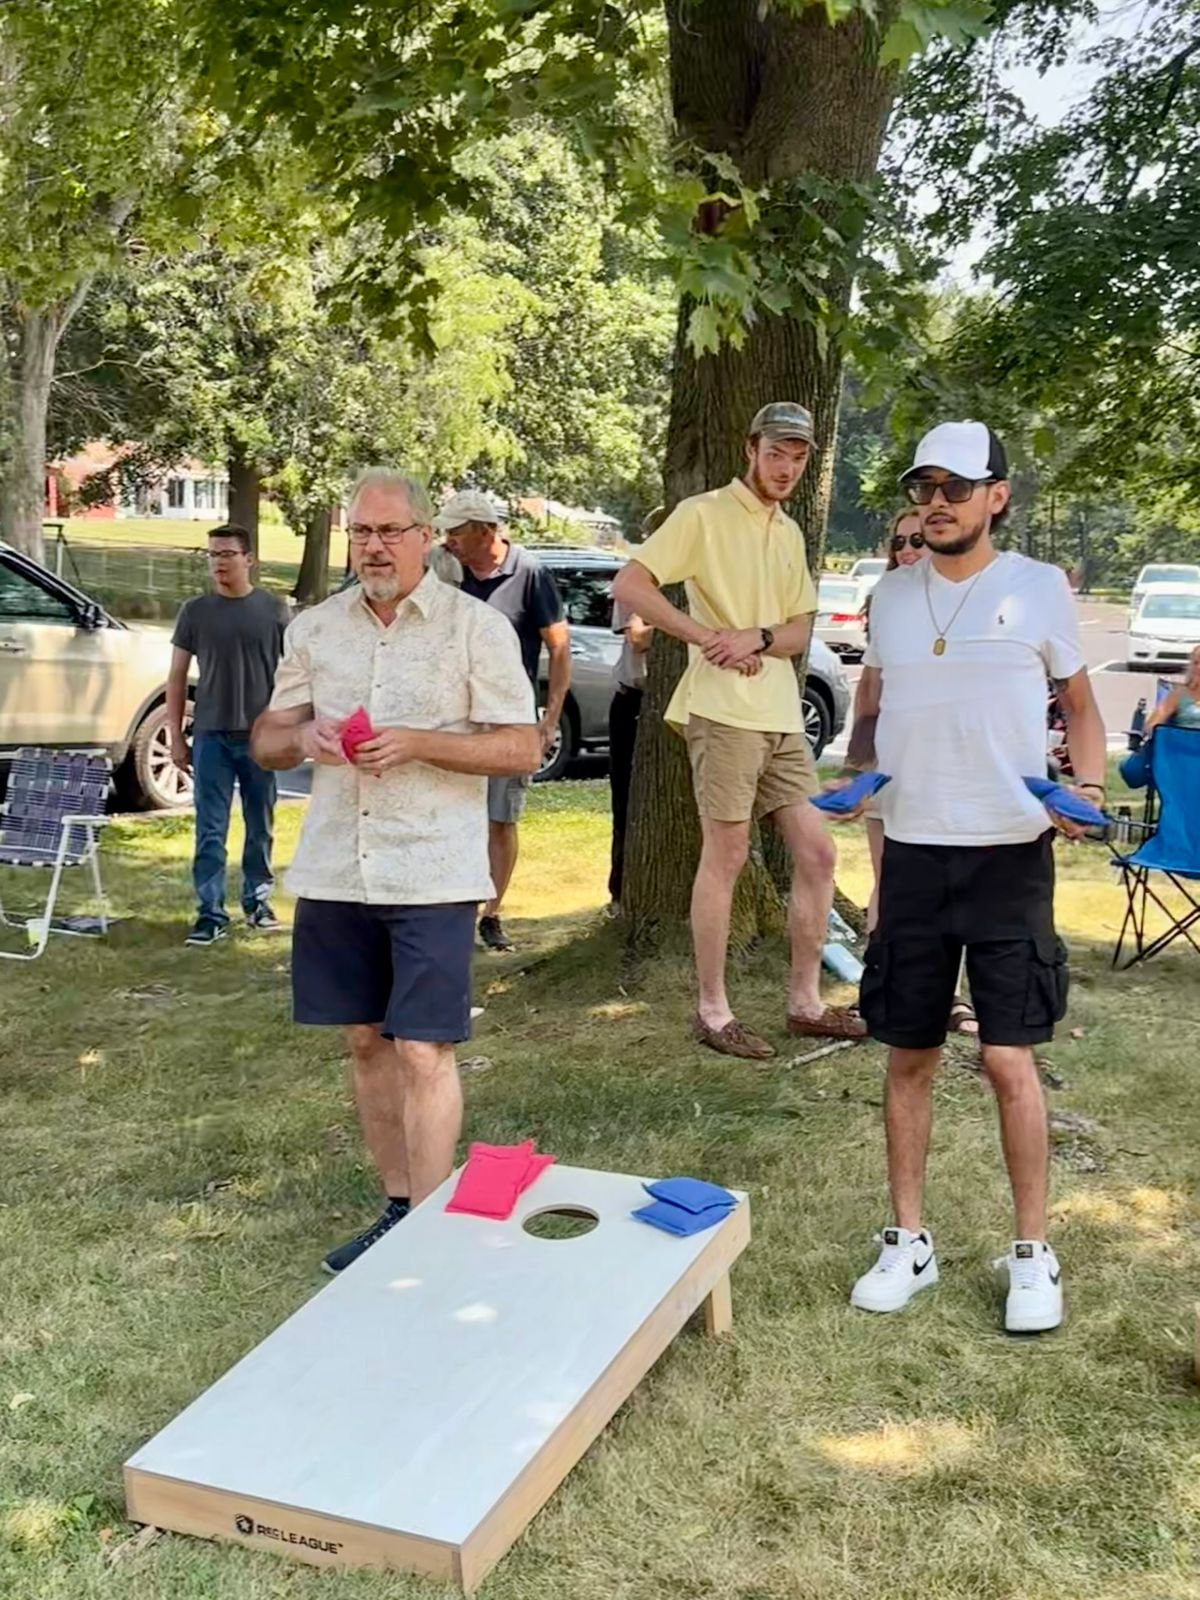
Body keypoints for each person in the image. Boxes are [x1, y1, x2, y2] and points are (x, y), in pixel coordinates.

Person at [840, 420, 1106, 1334]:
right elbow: (872, 704)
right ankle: (907, 1242)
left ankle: (1032, 1254)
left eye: (957, 487)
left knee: (1006, 1057)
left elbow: (1081, 708)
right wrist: (861, 773)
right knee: (908, 1052)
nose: (938, 503)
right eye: (926, 488)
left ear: (997, 496)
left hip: (1008, 851)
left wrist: (1087, 788)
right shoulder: (891, 595)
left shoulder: (1038, 588)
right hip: (915, 851)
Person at [251, 468, 538, 1273]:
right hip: (338, 867)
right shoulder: (316, 628)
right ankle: (399, 1209)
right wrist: (302, 739)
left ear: (423, 538)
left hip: (432, 871)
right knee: (365, 1040)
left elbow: (522, 746)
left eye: (389, 531)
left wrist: (418, 742)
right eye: (362, 532)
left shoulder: (475, 628)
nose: (374, 547)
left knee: (423, 1048)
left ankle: (432, 1232)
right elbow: (266, 738)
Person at [612, 401, 864, 1060]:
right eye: (775, 453)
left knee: (818, 853)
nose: (785, 467)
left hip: (782, 716)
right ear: (750, 449)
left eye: (798, 457)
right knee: (725, 856)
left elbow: (800, 631)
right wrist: (705, 637)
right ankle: (713, 1010)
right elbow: (630, 585)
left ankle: (806, 1004)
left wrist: (757, 636)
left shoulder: (790, 532)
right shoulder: (702, 513)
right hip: (723, 712)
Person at [857, 511, 978, 1039]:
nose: (907, 549)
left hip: (951, 769)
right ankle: (884, 987)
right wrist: (862, 766)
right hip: (891, 764)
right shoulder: (888, 600)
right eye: (899, 541)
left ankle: (951, 993)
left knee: (954, 885)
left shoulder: (969, 604)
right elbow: (869, 689)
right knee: (889, 881)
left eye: (917, 540)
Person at [436, 491, 570, 952]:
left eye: (457, 531)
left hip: (508, 720)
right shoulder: (444, 570)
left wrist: (549, 719)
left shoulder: (529, 572)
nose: (448, 540)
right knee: (452, 814)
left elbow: (559, 647)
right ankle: (453, 908)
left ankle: (490, 915)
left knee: (500, 819)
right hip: (453, 715)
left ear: (485, 530)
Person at [166, 524, 289, 947]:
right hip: (211, 737)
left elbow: (296, 673)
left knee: (260, 825)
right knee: (210, 829)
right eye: (212, 554)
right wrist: (176, 736)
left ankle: (258, 903)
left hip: (260, 738)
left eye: (227, 554)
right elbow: (177, 677)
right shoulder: (195, 612)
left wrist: (289, 728)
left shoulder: (273, 610)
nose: (218, 562)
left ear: (248, 559)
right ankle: (210, 913)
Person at [607, 594, 654, 907]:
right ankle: (620, 892)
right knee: (626, 801)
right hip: (633, 701)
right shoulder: (633, 584)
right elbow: (637, 638)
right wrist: (688, 627)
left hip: (682, 703)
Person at [1144, 644, 1200, 732]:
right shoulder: (1179, 694)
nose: (1198, 667)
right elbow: (1152, 725)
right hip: (1183, 739)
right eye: (1195, 663)